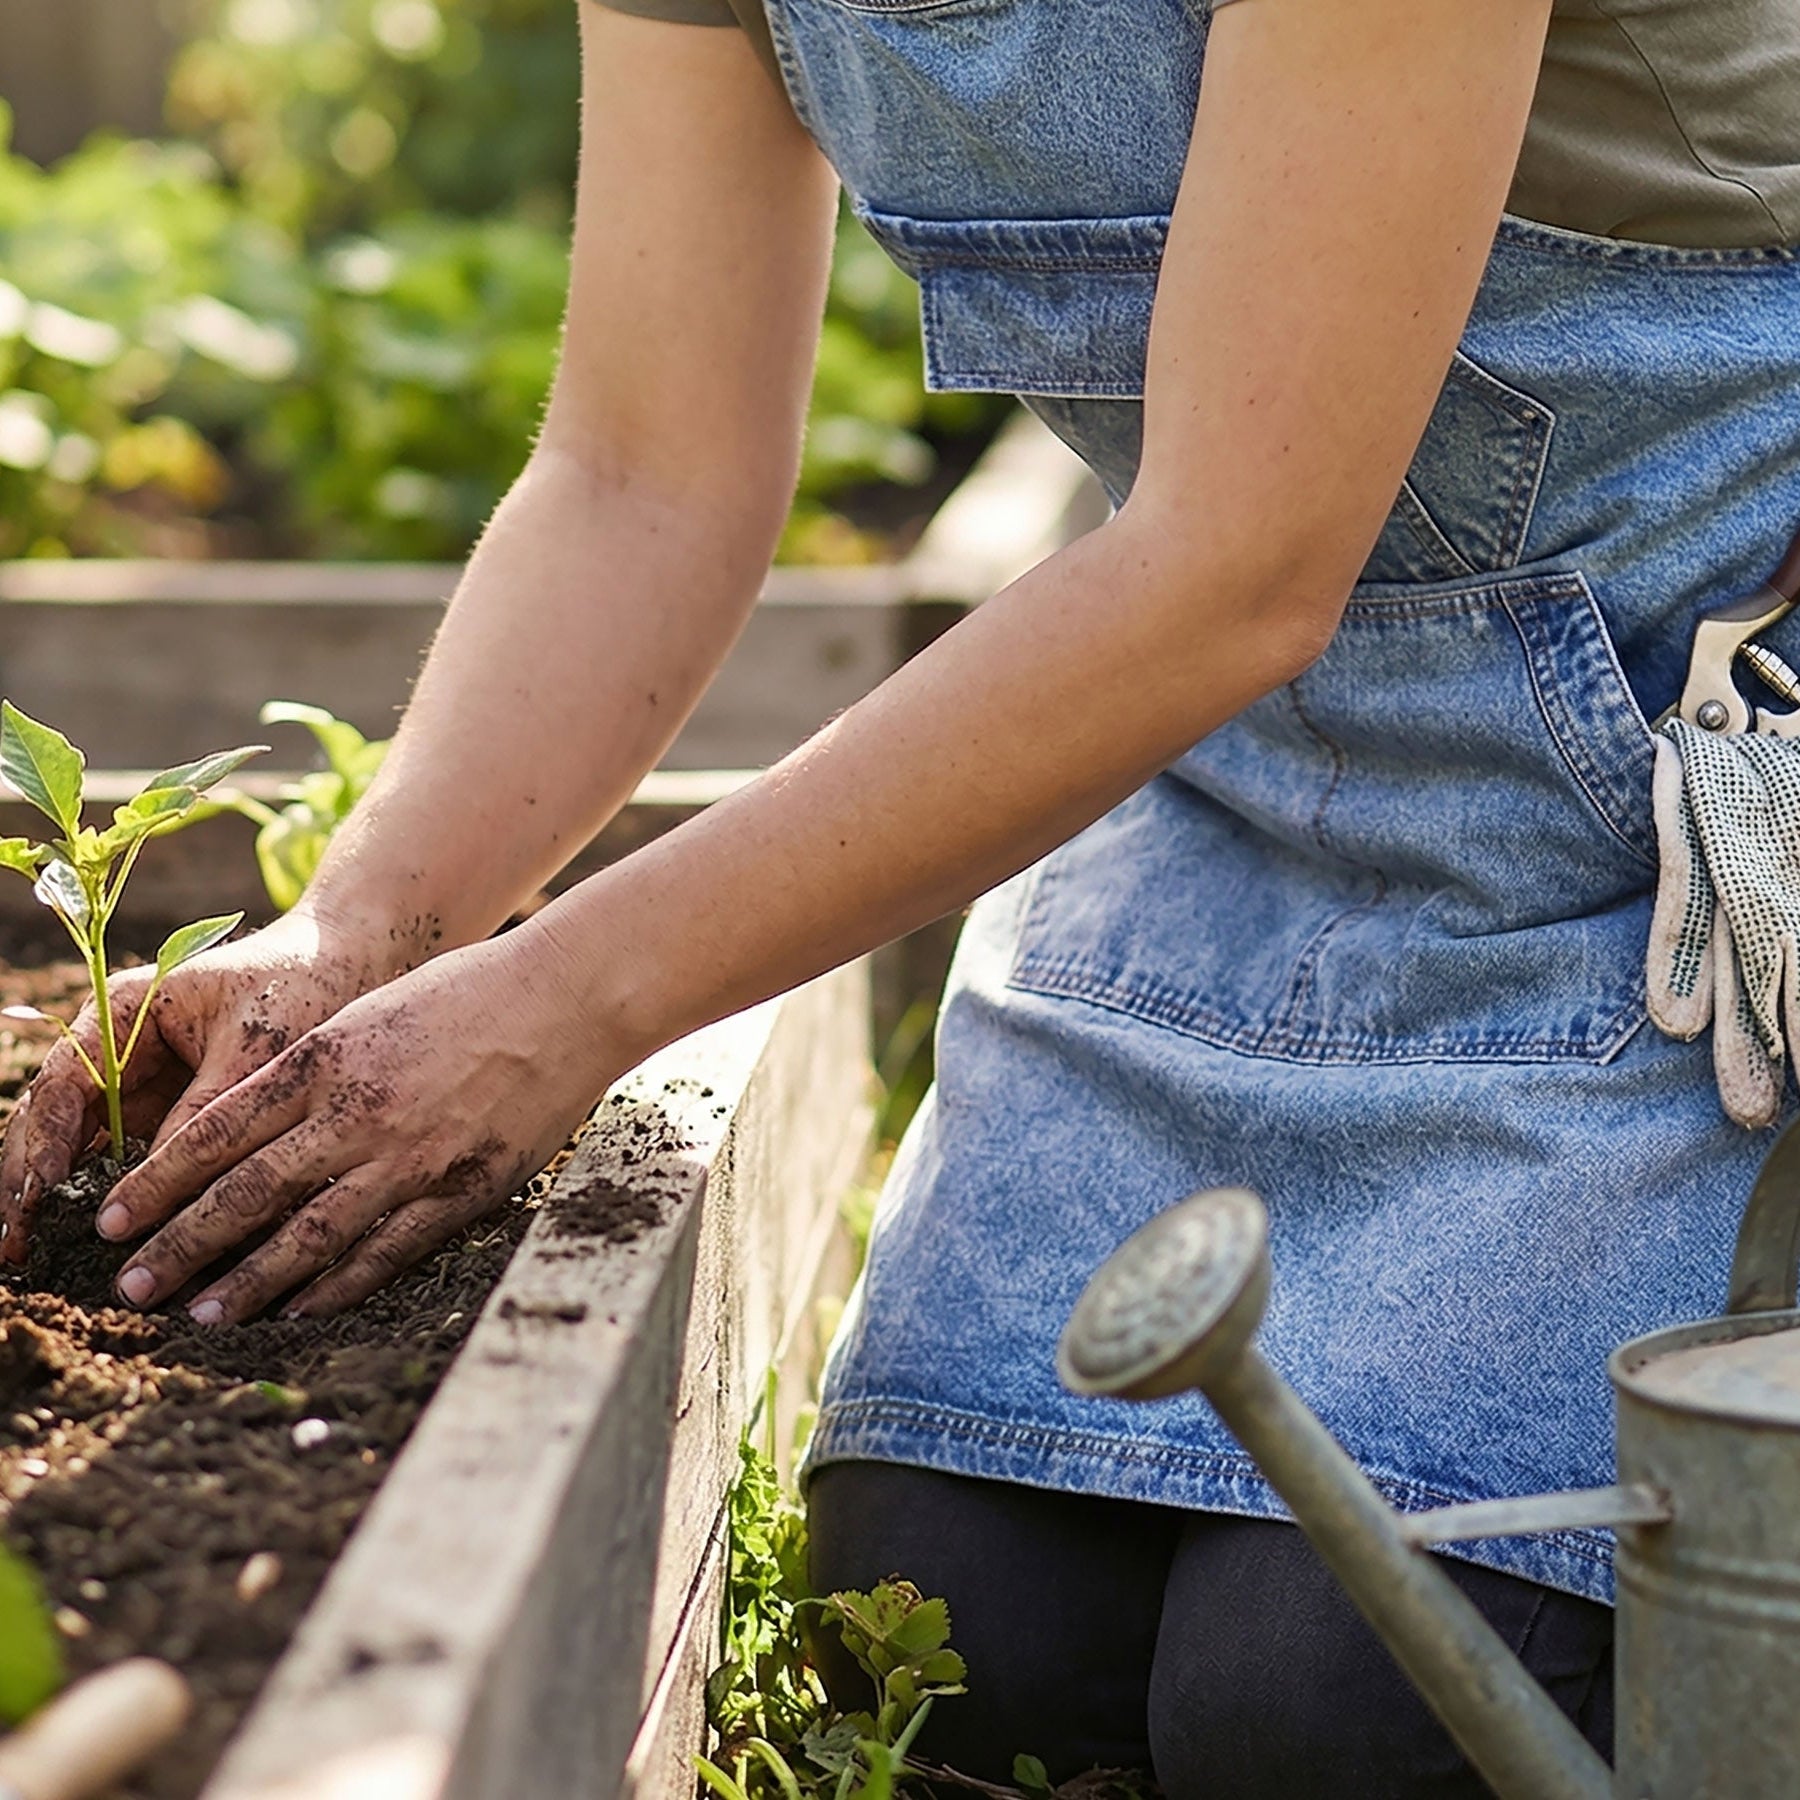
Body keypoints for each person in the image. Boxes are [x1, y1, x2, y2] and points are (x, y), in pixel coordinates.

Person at [4, 0, 1800, 1789]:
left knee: (1331, 1707)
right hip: (1232, 789)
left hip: (1677, 838)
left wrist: (565, 1002)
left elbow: (1240, 567)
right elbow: (643, 473)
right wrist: (361, 930)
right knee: (949, 1632)